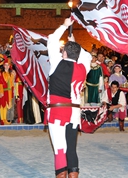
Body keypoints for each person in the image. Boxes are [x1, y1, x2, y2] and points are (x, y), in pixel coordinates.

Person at [46, 18, 91, 178]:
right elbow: (87, 55)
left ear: (64, 53)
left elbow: (51, 39)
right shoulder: (83, 66)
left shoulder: (57, 62)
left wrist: (64, 26)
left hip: (58, 111)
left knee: (59, 148)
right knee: (71, 147)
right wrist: (75, 43)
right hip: (74, 113)